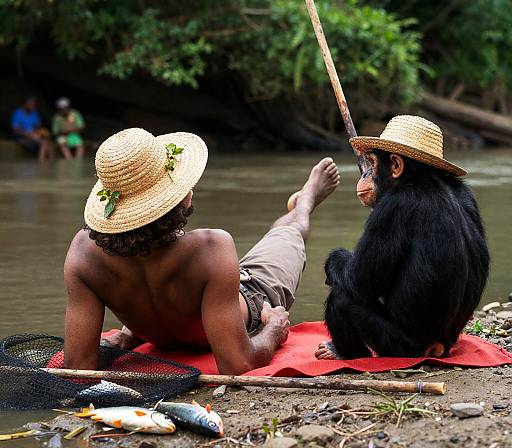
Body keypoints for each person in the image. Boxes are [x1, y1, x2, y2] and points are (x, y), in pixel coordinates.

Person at [63, 128, 340, 374]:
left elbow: (77, 368)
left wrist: (128, 336)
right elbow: (236, 365)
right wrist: (274, 329)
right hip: (255, 297)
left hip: (163, 328)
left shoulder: (82, 254)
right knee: (290, 234)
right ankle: (305, 203)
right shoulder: (211, 248)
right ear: (179, 199)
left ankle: (301, 202)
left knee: (272, 241)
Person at [316, 116, 489, 360]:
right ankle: (438, 342)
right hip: (447, 337)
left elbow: (360, 286)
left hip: (409, 344)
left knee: (340, 291)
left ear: (396, 166)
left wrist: (334, 262)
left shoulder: (400, 201)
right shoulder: (462, 193)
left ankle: (352, 355)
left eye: (374, 166)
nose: (369, 176)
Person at [11, 96, 52, 161]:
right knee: (43, 142)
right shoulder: (18, 113)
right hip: (23, 137)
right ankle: (43, 162)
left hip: (35, 136)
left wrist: (42, 132)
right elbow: (15, 130)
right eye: (30, 103)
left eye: (33, 104)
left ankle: (45, 161)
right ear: (25, 104)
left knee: (46, 136)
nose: (32, 105)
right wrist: (28, 134)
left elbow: (38, 128)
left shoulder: (34, 114)